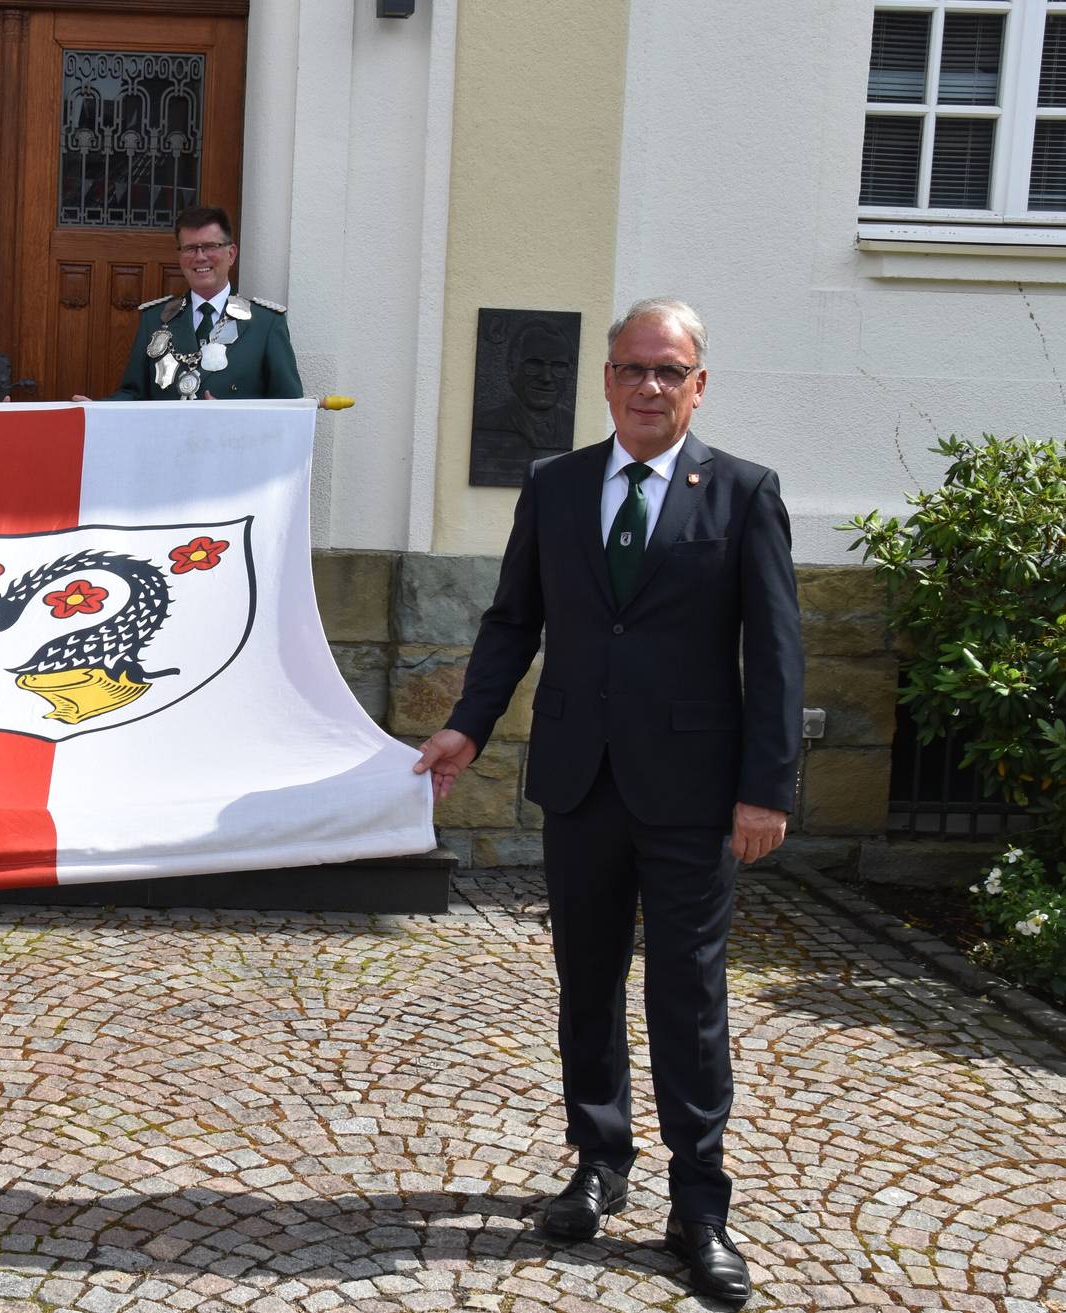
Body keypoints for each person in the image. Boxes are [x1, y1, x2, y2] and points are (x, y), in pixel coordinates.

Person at [414, 298, 802, 1304]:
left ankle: (699, 1205)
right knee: (586, 981)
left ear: (698, 384)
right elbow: (513, 621)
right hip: (581, 781)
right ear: (607, 379)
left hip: (692, 795)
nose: (650, 386)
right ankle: (599, 1161)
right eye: (634, 368)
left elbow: (777, 654)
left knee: (688, 994)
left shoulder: (745, 494)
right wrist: (468, 722)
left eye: (670, 371)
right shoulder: (556, 484)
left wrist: (767, 787)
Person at [80, 205, 301, 402]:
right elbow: (134, 394)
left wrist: (235, 421)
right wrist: (97, 412)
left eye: (210, 246)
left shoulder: (266, 324)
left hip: (233, 447)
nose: (200, 257)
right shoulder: (154, 319)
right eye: (190, 248)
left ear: (231, 254)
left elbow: (290, 411)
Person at [471, 317, 579, 485]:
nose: (547, 377)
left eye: (558, 367)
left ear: (570, 374)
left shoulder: (570, 423)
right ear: (512, 367)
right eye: (534, 364)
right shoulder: (487, 423)